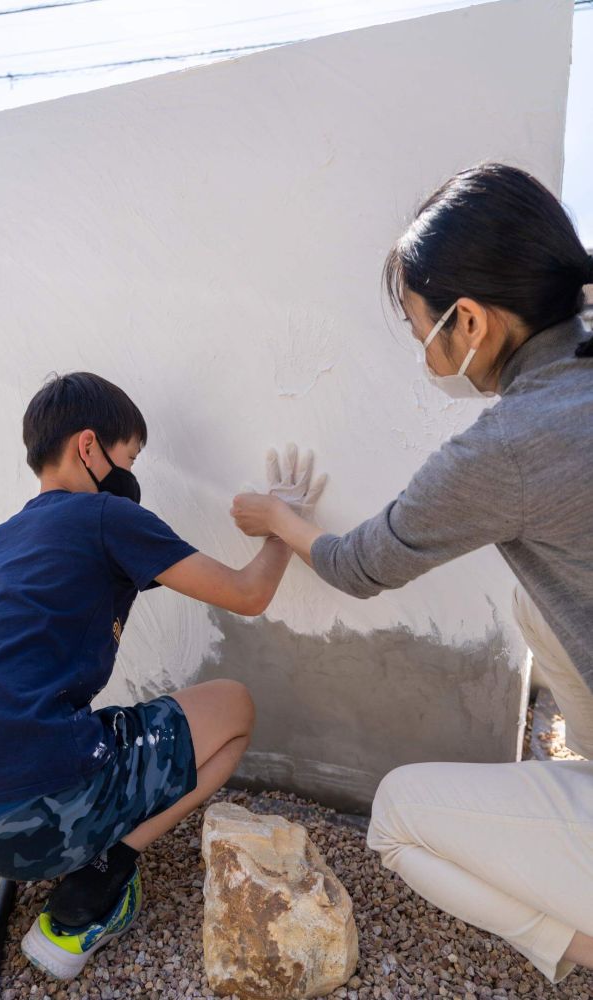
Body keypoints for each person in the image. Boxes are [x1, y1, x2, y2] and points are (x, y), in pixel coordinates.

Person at [232, 162, 593, 986]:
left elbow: (359, 565)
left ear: (467, 320)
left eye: (415, 326)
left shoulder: (510, 446)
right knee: (536, 610)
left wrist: (276, 520)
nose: (418, 345)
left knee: (395, 816)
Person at [0, 371, 324, 981]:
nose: (132, 472)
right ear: (88, 447)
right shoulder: (106, 516)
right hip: (33, 809)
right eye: (129, 456)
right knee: (234, 709)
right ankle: (87, 899)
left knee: (17, 744)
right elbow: (247, 594)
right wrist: (284, 522)